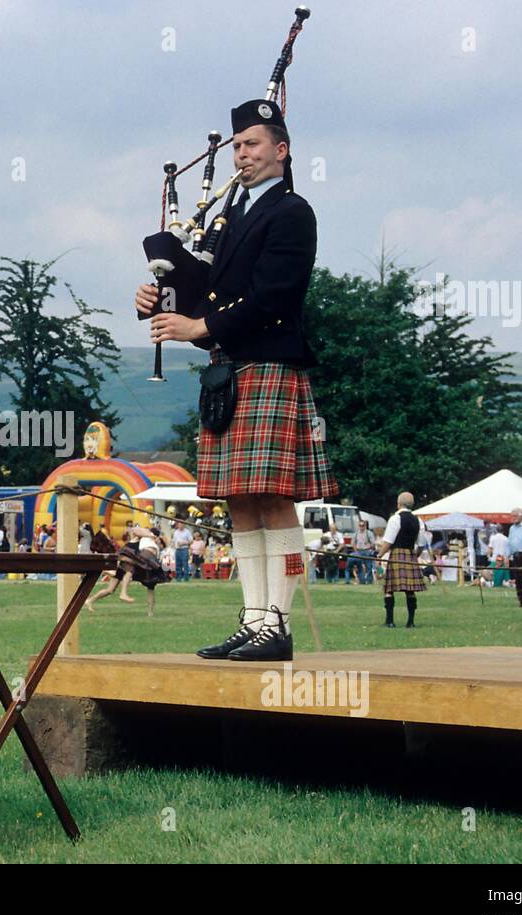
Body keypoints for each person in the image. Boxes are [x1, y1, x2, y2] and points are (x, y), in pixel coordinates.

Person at [142, 98, 334, 663]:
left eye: (251, 144)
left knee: (275, 499)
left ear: (281, 149)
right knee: (240, 503)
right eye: (236, 147)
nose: (241, 155)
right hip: (229, 368)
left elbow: (275, 295)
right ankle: (254, 620)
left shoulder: (293, 212)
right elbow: (208, 285)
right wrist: (158, 297)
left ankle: (279, 622)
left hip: (271, 363)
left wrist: (199, 322)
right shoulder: (230, 219)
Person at [376, 492, 426, 628]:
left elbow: (388, 542)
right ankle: (410, 622)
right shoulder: (419, 520)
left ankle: (390, 622)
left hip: (397, 554)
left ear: (398, 504)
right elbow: (421, 543)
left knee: (389, 589)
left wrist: (379, 556)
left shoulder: (395, 518)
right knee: (410, 590)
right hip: (410, 554)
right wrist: (415, 555)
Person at [347, 520, 376, 585]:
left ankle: (369, 581)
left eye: (363, 525)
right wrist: (356, 551)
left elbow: (373, 543)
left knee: (368, 566)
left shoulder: (369, 533)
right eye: (360, 525)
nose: (361, 527)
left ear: (365, 526)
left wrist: (369, 547)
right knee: (359, 567)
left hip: (367, 551)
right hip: (359, 551)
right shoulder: (356, 533)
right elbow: (353, 543)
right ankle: (361, 581)